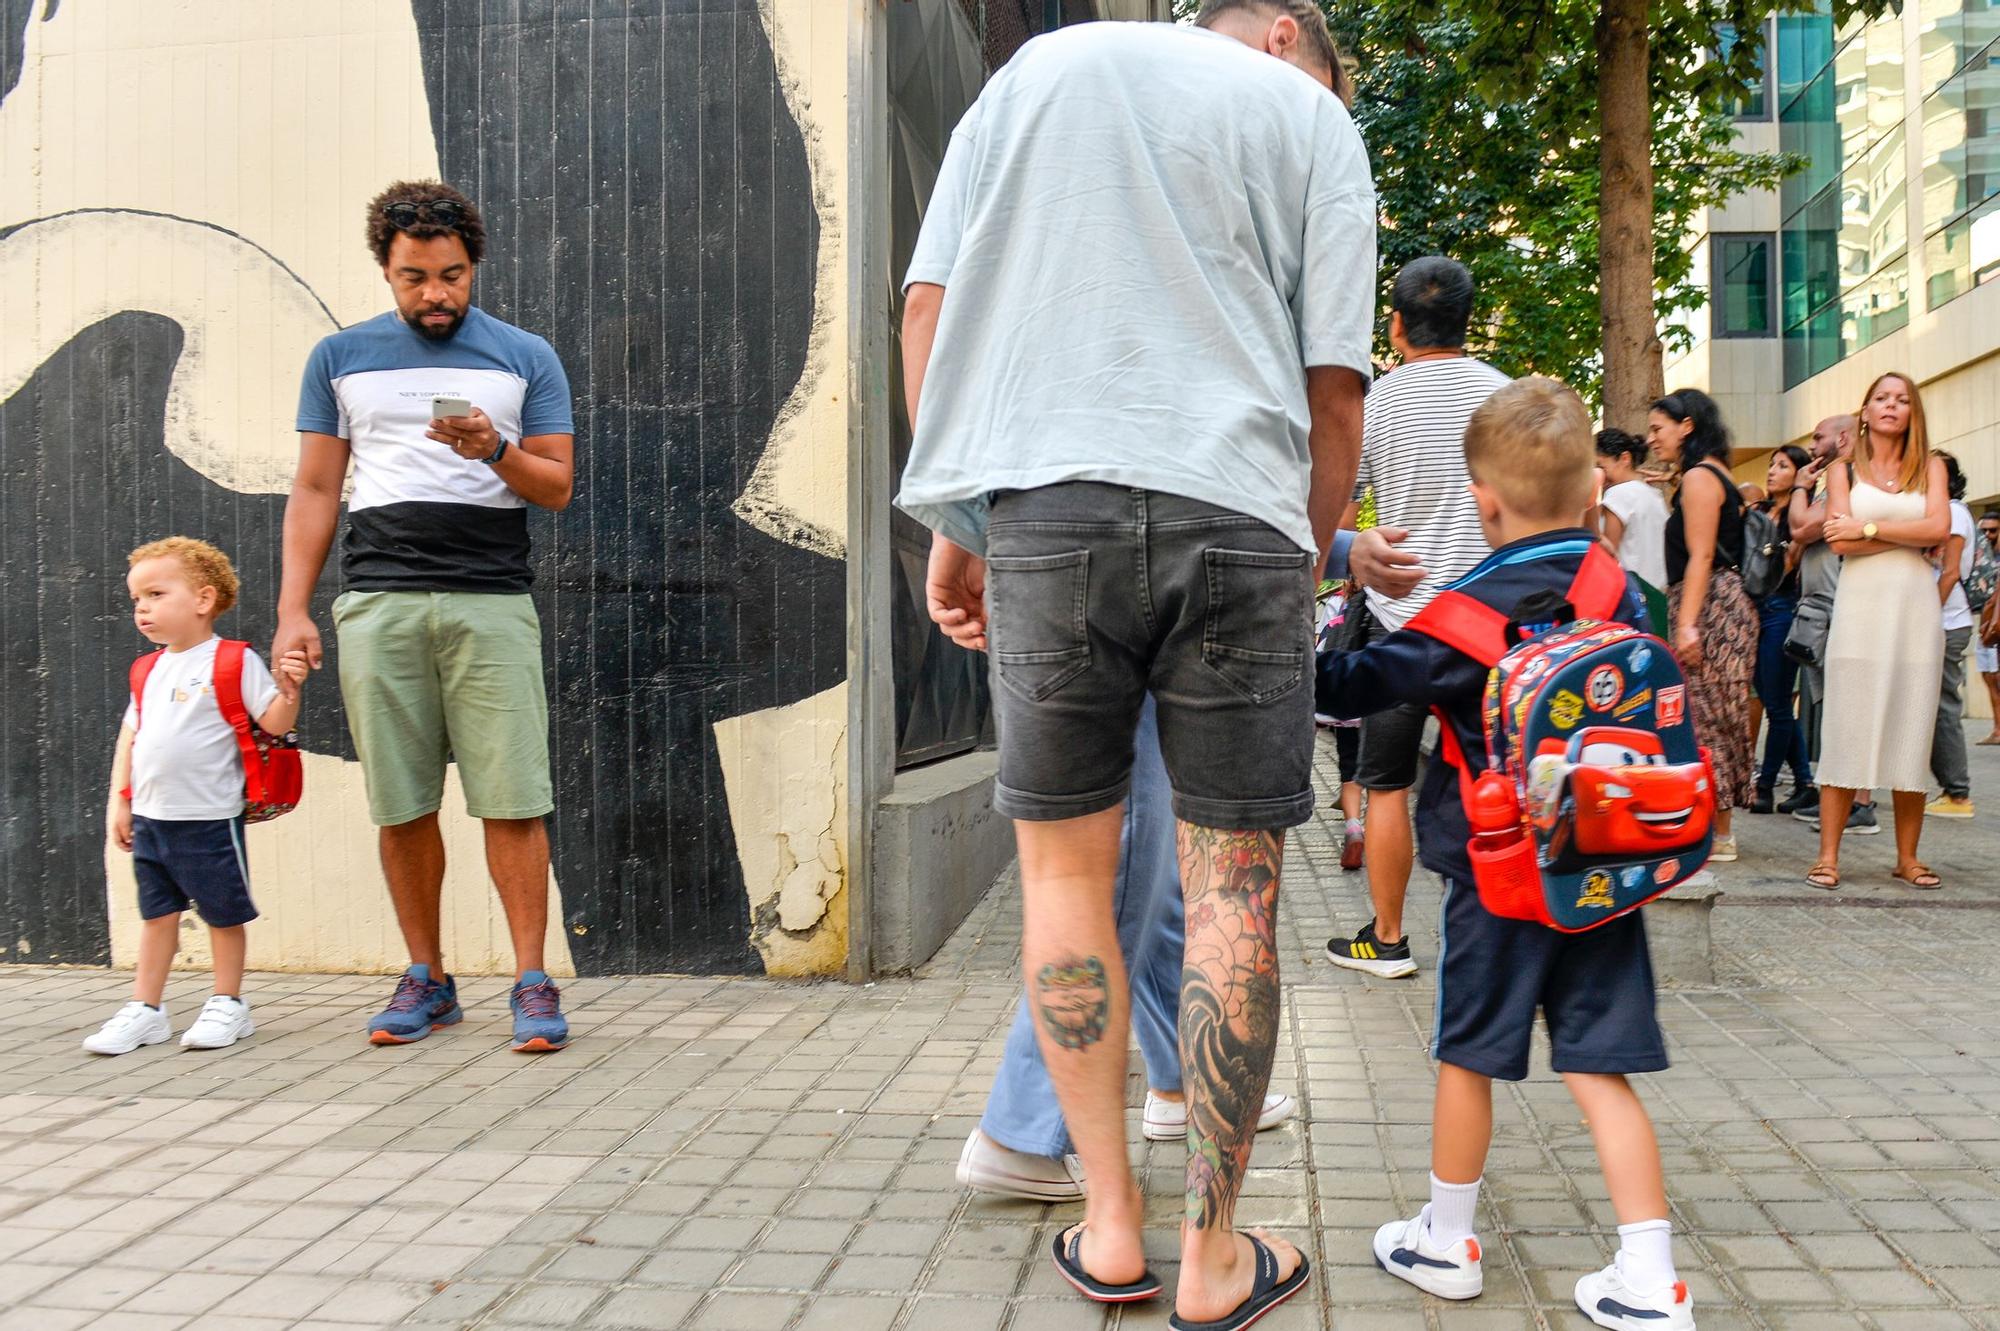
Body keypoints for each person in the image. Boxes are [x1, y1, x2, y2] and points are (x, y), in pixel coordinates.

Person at [899, 3, 1375, 1323]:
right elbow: (1338, 389)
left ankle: (1110, 1228)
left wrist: (956, 521)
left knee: (1064, 873)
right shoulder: (1310, 120)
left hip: (1049, 512)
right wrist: (1308, 550)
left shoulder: (1037, 72)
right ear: (1284, 38)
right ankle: (1216, 1255)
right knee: (1235, 882)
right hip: (1240, 514)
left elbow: (927, 307)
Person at [1321, 377, 1693, 1331]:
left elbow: (1350, 682)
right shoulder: (1628, 592)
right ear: (1591, 500)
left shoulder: (1462, 615)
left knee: (1469, 1055)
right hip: (1608, 870)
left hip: (1496, 879)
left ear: (1483, 502)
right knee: (1600, 1066)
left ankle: (1446, 1239)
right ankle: (1651, 1277)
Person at [961, 528, 1422, 1202]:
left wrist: (961, 531)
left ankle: (1179, 1080)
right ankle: (1024, 1131)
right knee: (1121, 870)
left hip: (1053, 549)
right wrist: (1329, 543)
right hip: (1158, 561)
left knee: (1150, 877)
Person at [278, 181, 578, 1052]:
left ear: (473, 264)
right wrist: (293, 610)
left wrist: (495, 448)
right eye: (414, 277)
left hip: (492, 603)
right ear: (385, 268)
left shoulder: (526, 357)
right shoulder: (340, 357)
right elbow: (314, 487)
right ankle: (428, 977)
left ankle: (531, 980)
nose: (435, 295)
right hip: (378, 602)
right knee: (401, 803)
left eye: (450, 275)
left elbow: (556, 487)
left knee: (513, 799)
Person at [1324, 256, 1509, 983]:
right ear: (1469, 319)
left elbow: (1340, 511)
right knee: (1498, 776)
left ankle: (1390, 938)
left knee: (1386, 783)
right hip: (1489, 625)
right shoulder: (1506, 398)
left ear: (1395, 325)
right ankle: (1504, 939)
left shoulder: (1376, 403)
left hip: (1399, 621)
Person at [86, 539, 308, 1055]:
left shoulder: (233, 660)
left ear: (204, 600)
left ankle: (228, 1003)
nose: (142, 607)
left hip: (208, 818)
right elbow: (132, 738)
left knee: (222, 915)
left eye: (156, 594)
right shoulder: (146, 669)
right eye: (136, 598)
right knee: (156, 915)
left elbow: (272, 721)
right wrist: (120, 803)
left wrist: (290, 690)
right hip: (150, 818)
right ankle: (146, 1009)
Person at [1808, 372, 1950, 891]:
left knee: (1911, 731)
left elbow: (1938, 529)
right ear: (1864, 411)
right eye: (1881, 398)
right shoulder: (1843, 470)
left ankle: (1908, 857)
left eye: (1902, 399)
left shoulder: (1930, 467)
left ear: (1913, 413)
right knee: (1847, 728)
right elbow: (1837, 541)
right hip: (1860, 614)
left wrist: (1868, 528)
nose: (1891, 406)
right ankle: (1828, 855)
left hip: (1915, 616)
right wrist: (1904, 536)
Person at [1651, 389, 1755, 864]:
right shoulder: (1713, 473)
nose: (1652, 439)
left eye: (1659, 429)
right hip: (1721, 602)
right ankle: (1716, 827)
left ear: (1686, 426)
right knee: (1716, 714)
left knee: (1707, 717)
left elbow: (1702, 555)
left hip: (1710, 606)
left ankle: (1718, 832)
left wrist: (1688, 625)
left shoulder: (1699, 477)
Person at [1789, 416, 1879, 835]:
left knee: (1851, 705)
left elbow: (1802, 527)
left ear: (1844, 438)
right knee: (1835, 707)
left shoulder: (1849, 476)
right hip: (1823, 610)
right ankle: (1841, 796)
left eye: (1819, 436)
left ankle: (1861, 803)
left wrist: (1800, 487)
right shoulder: (1836, 478)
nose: (1812, 444)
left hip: (1841, 609)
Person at [1749, 445, 1815, 814]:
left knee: (1777, 704)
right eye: (1772, 464)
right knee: (1772, 700)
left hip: (1781, 608)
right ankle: (1805, 782)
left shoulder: (1798, 515)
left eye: (1783, 466)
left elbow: (1789, 565)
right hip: (1754, 607)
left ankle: (1766, 786)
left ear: (1800, 473)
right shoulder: (1758, 512)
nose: (1772, 471)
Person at [1926, 452, 1976, 818]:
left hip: (1946, 622)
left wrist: (1926, 615)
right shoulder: (1943, 511)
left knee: (1943, 706)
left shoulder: (1954, 512)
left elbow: (1950, 572)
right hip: (1942, 620)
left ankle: (1957, 794)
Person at [1595, 428, 1668, 591]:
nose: (1599, 474)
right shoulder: (1654, 495)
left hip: (1630, 593)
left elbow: (1607, 554)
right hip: (1659, 593)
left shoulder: (1617, 494)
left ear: (1624, 458)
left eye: (1601, 466)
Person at [1980, 508, 2000, 745]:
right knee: (1989, 676)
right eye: (1983, 530)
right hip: (1988, 622)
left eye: (1993, 530)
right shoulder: (1982, 555)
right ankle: (1997, 728)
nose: (1987, 535)